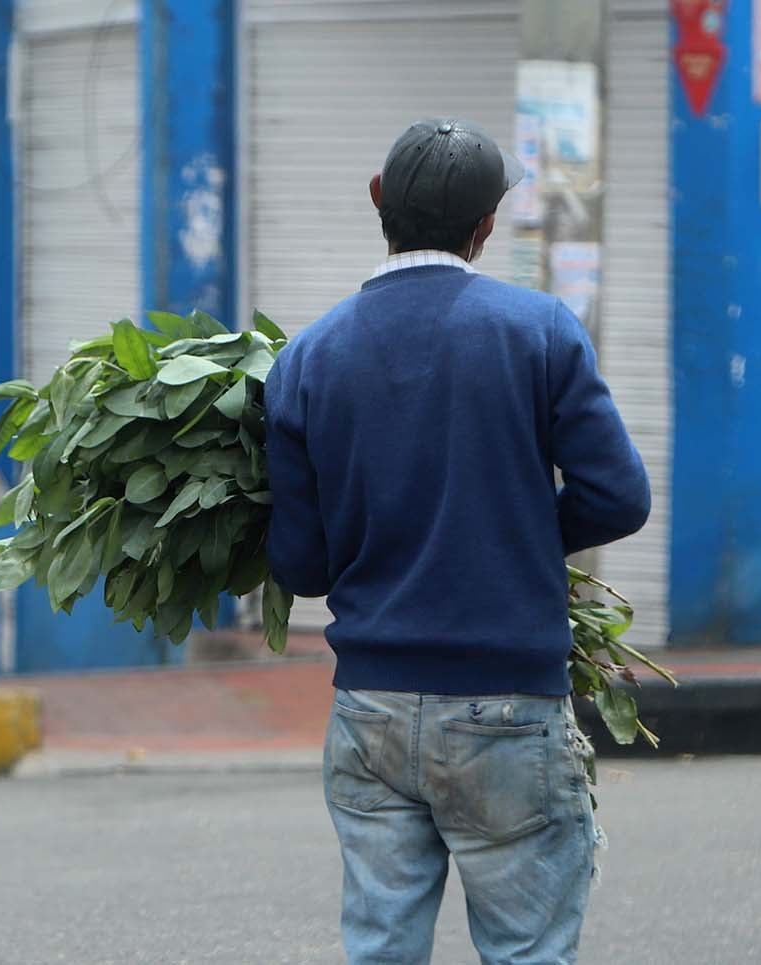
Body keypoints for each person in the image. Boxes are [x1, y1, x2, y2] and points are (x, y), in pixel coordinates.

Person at [263, 119, 650, 964]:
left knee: (381, 949)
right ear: (484, 228)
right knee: (526, 952)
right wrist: (515, 533)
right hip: (508, 703)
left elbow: (298, 563)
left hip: (369, 709)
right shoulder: (538, 330)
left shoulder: (304, 358)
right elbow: (618, 497)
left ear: (377, 199)